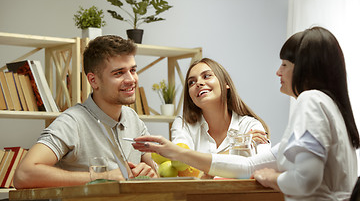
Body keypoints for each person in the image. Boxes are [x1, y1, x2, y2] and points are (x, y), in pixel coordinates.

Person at [133, 27, 359, 200]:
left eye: (284, 65)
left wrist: (274, 178)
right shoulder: (330, 106)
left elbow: (306, 179)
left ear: (304, 67)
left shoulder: (310, 101)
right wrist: (177, 153)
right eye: (191, 81)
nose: (278, 71)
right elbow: (247, 167)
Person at [14, 35, 158, 189]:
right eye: (118, 73)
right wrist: (103, 177)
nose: (131, 79)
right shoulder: (71, 122)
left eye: (133, 70)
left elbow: (156, 171)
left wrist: (151, 173)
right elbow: (24, 175)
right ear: (93, 80)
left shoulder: (133, 119)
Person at [171, 58, 270, 157]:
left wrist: (199, 165)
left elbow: (262, 164)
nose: (198, 83)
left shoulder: (250, 126)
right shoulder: (183, 125)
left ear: (225, 83)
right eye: (191, 82)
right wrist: (238, 148)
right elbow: (183, 165)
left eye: (206, 76)